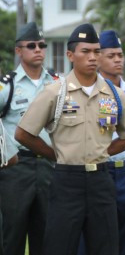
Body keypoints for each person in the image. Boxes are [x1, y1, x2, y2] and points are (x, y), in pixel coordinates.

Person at [14, 23, 125, 255]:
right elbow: (23, 133)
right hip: (66, 180)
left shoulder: (114, 94)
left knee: (105, 247)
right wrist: (55, 154)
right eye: (86, 51)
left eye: (96, 51)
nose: (92, 57)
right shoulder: (56, 92)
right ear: (71, 55)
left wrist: (103, 152)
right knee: (59, 246)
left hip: (101, 179)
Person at [78, 30, 125, 255]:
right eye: (111, 55)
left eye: (120, 55)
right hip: (100, 170)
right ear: (98, 59)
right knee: (96, 232)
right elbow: (103, 133)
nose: (118, 60)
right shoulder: (96, 93)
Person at [0, 22, 56, 255]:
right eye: (31, 45)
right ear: (18, 51)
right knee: (11, 236)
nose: (38, 49)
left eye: (42, 45)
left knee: (46, 236)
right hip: (16, 170)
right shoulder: (7, 85)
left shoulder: (57, 83)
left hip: (49, 167)